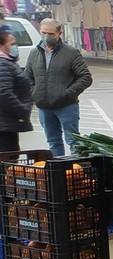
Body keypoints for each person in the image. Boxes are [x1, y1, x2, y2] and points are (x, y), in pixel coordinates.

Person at [25, 18, 92, 158]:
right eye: (43, 33)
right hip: (44, 107)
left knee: (74, 142)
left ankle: (77, 171)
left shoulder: (71, 53)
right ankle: (59, 172)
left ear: (59, 34)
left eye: (50, 34)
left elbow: (85, 77)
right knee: (53, 142)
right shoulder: (34, 53)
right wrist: (35, 94)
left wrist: (67, 93)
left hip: (66, 106)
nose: (46, 37)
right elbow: (27, 78)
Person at [0, 28, 33, 153]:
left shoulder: (7, 63)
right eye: (12, 44)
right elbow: (3, 93)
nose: (15, 47)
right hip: (4, 127)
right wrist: (22, 110)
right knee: (7, 163)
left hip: (6, 125)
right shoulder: (3, 64)